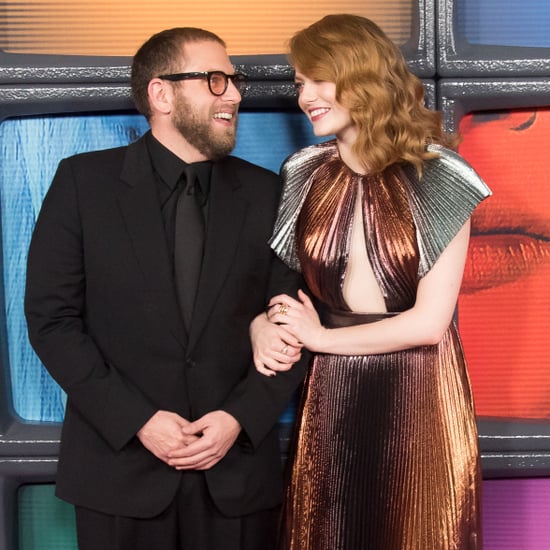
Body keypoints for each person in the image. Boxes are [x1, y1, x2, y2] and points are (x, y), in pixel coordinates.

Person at [24, 27, 307, 550]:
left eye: (235, 81)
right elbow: (51, 321)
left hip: (236, 477)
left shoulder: (270, 193)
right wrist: (139, 421)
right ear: (161, 94)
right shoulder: (82, 184)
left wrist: (237, 419)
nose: (237, 95)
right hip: (118, 473)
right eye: (216, 81)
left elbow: (293, 320)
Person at [251, 14, 491, 550]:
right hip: (332, 396)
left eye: (318, 79)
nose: (304, 96)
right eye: (298, 83)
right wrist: (267, 321)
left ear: (363, 76)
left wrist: (323, 341)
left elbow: (429, 325)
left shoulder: (442, 176)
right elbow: (282, 285)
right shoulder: (304, 172)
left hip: (418, 391)